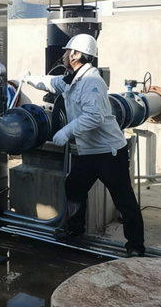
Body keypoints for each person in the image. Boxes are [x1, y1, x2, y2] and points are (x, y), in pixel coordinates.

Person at [23, 34, 146, 257]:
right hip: (89, 152)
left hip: (109, 153)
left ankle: (136, 246)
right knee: (74, 186)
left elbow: (94, 117)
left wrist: (66, 131)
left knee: (123, 199)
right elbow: (51, 83)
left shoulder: (91, 82)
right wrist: (29, 79)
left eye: (67, 51)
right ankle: (75, 230)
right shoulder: (73, 79)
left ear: (76, 55)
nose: (63, 55)